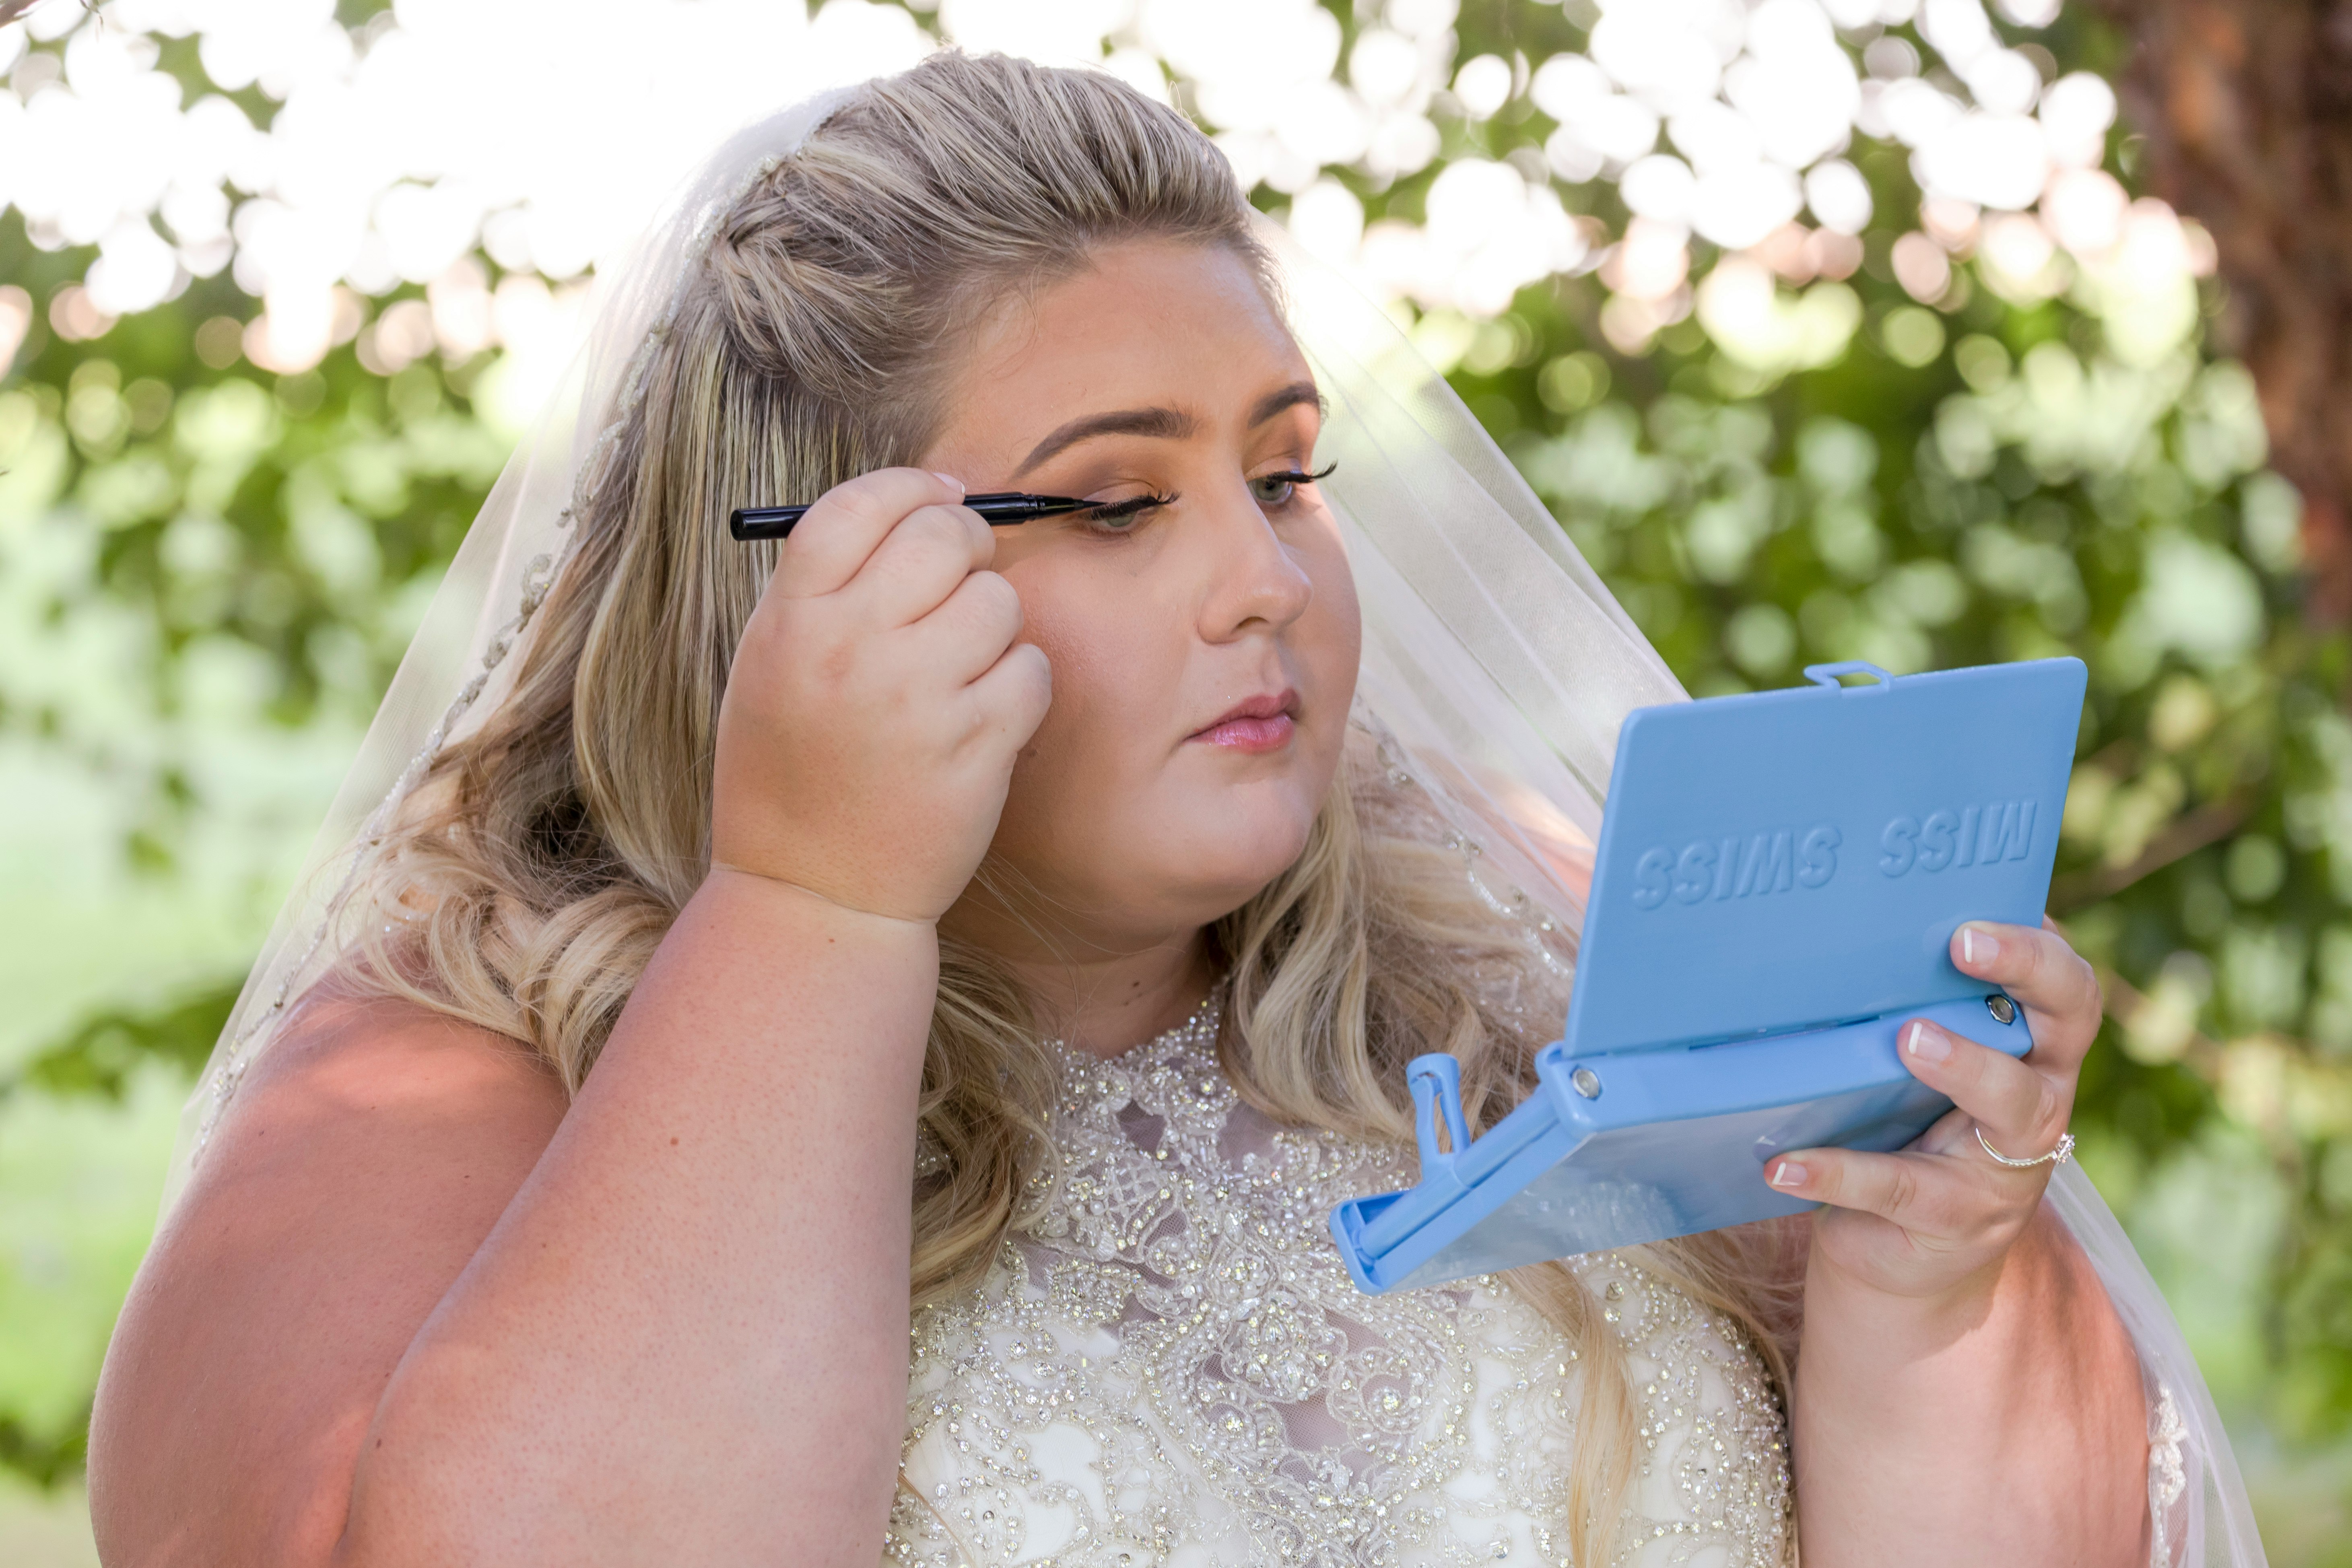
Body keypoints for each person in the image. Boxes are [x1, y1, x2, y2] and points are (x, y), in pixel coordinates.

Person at [84, 52, 2255, 1568]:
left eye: (1286, 471)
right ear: (799, 582)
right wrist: (814, 902)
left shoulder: (1541, 949)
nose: (1270, 578)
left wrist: (1937, 1293)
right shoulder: (440, 1090)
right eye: (1117, 502)